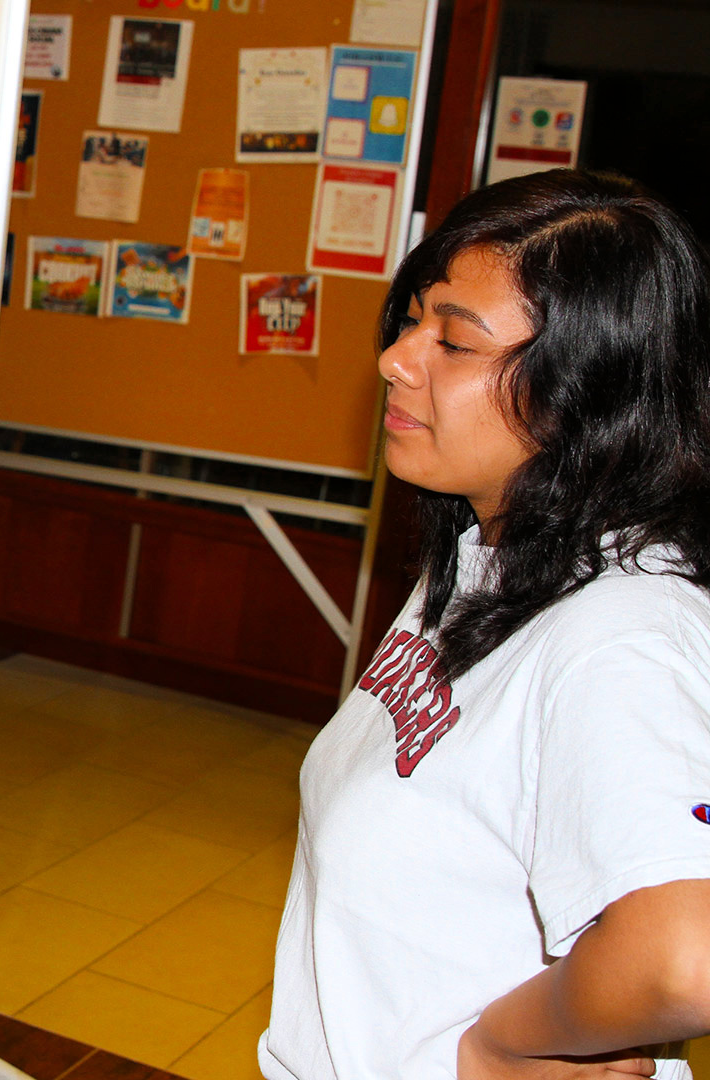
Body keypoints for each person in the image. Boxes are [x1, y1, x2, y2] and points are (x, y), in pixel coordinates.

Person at [260, 169, 710, 1079]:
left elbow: (684, 958)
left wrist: (507, 1043)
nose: (397, 357)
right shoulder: (483, 554)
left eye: (455, 343)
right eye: (414, 318)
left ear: (585, 393)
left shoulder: (623, 629)